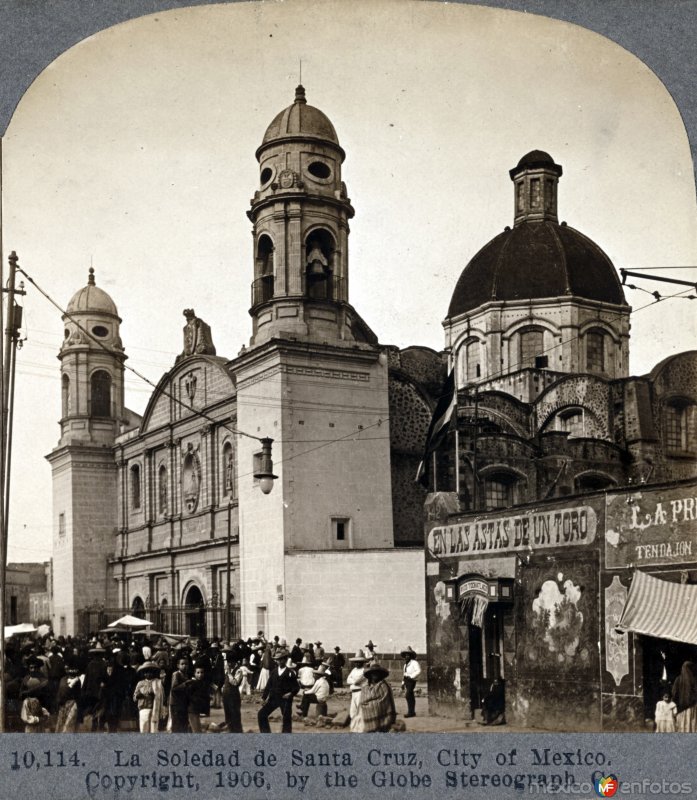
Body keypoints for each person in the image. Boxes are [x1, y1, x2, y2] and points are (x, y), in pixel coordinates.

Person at [258, 649, 299, 733]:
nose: (279, 661)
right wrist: (263, 698)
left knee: (286, 719)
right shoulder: (274, 672)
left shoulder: (290, 673)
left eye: (281, 659)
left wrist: (290, 694)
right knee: (261, 714)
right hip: (273, 698)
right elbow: (268, 685)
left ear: (285, 660)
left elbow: (296, 687)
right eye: (277, 659)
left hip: (285, 700)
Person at [360, 662, 396, 733]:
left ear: (381, 674)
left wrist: (373, 705)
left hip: (383, 719)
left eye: (377, 673)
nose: (375, 674)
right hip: (368, 719)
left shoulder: (384, 686)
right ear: (370, 674)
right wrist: (371, 706)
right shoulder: (365, 687)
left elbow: (387, 702)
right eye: (373, 673)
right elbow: (363, 701)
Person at [133, 661, 166, 733]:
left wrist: (155, 695)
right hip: (143, 708)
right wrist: (139, 695)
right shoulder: (140, 683)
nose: (148, 674)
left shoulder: (157, 682)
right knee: (144, 727)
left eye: (150, 672)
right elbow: (135, 697)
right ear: (143, 674)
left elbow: (162, 695)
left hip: (154, 709)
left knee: (154, 729)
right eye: (146, 672)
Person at [346, 649, 368, 733]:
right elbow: (348, 680)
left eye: (359, 662)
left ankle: (359, 728)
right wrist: (353, 681)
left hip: (360, 691)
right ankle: (354, 726)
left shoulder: (364, 671)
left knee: (360, 710)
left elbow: (357, 681)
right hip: (354, 692)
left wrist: (353, 681)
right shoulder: (354, 670)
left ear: (362, 662)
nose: (357, 663)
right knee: (353, 710)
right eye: (356, 662)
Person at [672, 661, 697, 732]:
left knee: (682, 727)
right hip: (692, 708)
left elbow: (674, 694)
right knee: (692, 727)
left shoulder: (678, 679)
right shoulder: (694, 680)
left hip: (681, 709)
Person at [168, 656, 191, 733]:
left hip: (182, 702)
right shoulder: (176, 674)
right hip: (176, 703)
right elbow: (174, 688)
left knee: (183, 722)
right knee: (176, 722)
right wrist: (185, 684)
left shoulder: (186, 675)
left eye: (186, 664)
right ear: (178, 665)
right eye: (182, 664)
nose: (184, 666)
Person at [186, 665, 211, 733]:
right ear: (194, 674)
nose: (200, 674)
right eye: (198, 672)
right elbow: (188, 696)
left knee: (195, 729)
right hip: (192, 710)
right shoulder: (192, 683)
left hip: (196, 710)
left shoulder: (202, 683)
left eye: (202, 672)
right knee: (197, 731)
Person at [221, 658, 243, 733]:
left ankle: (237, 732)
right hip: (226, 695)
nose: (229, 664)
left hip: (234, 696)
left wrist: (229, 673)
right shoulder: (227, 669)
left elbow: (235, 683)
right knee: (227, 715)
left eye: (230, 662)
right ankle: (229, 731)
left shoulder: (239, 670)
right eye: (228, 662)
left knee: (235, 715)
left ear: (235, 661)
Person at [401, 646, 421, 718]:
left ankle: (410, 712)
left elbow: (418, 671)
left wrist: (411, 676)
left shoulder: (414, 663)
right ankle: (412, 712)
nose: (407, 656)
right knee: (411, 696)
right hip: (406, 680)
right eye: (406, 655)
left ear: (411, 655)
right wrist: (403, 683)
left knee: (408, 695)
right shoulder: (405, 665)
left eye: (408, 655)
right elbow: (404, 674)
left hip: (412, 681)